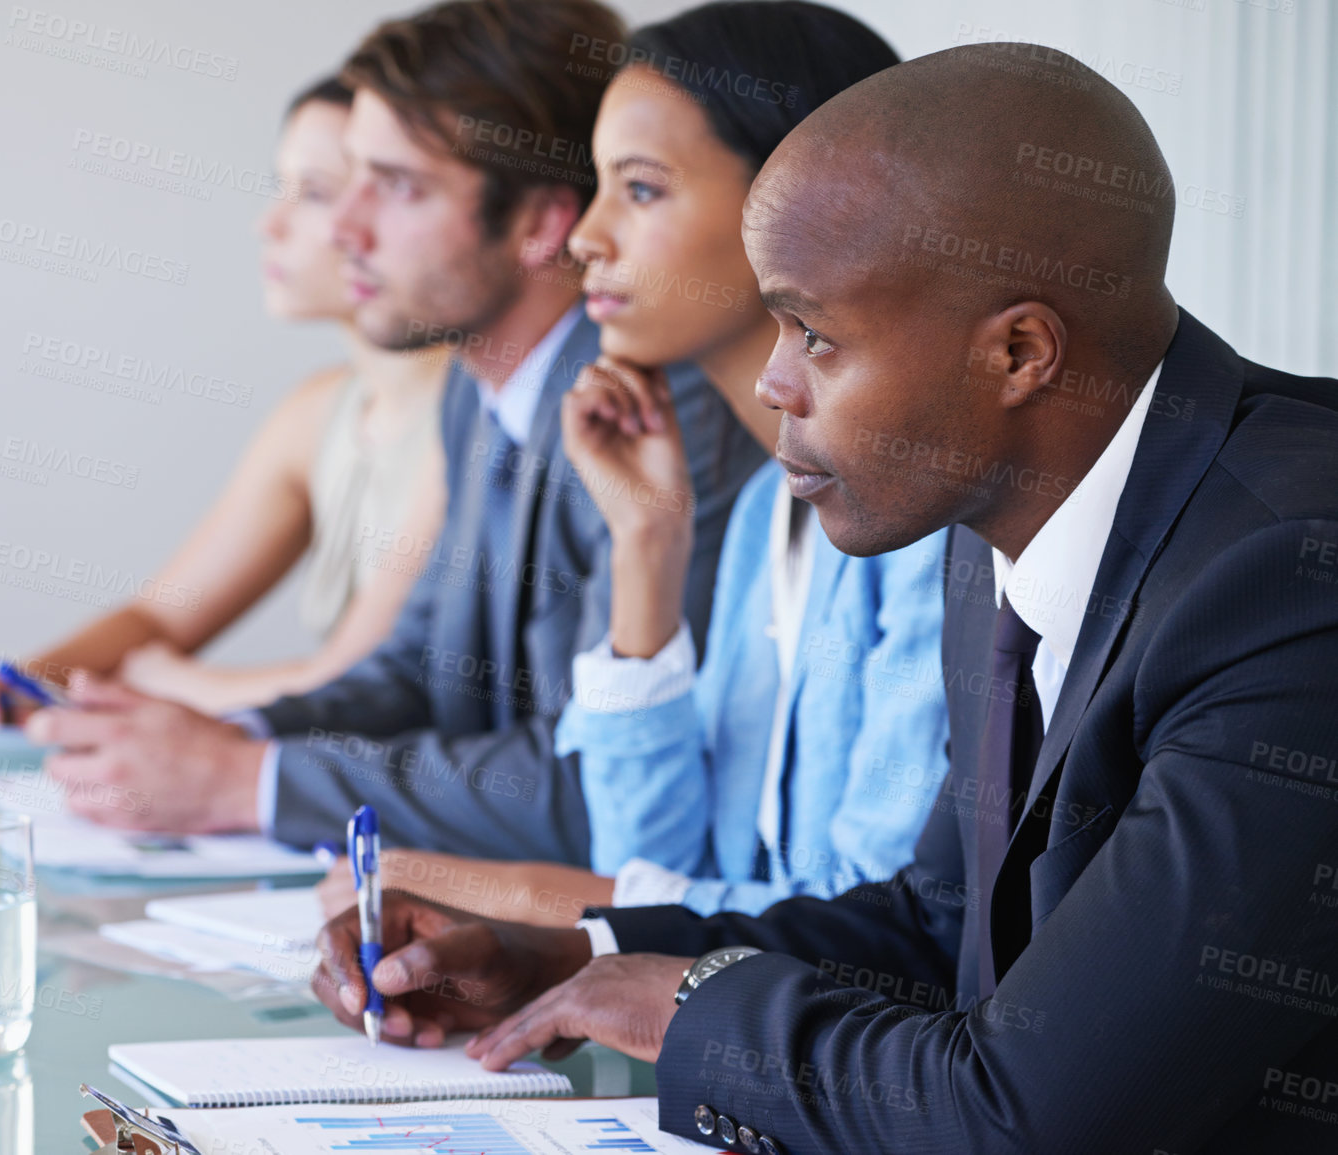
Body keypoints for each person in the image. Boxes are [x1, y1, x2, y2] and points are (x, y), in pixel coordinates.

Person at [312, 41, 1338, 1154]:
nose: (772, 381)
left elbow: (1034, 1115)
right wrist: (575, 958)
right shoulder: (997, 502)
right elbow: (934, 926)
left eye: (816, 334)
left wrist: (698, 1013)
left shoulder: (1288, 576)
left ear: (1019, 354)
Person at [24, 0, 764, 858]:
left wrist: (244, 781)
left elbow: (589, 781)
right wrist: (228, 733)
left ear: (539, 222)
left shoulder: (659, 416)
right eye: (351, 177)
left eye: (399, 186)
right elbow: (416, 671)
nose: (343, 229)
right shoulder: (476, 388)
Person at [315, 0, 948, 928]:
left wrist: (519, 897)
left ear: (808, 200)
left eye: (641, 191)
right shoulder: (757, 519)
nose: (584, 238)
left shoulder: (923, 524)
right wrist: (647, 546)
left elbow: (869, 936)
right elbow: (654, 862)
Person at [13, 77, 450, 718]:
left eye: (315, 193)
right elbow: (160, 614)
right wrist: (19, 686)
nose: (269, 223)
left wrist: (170, 682)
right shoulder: (319, 413)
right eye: (283, 186)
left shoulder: (476, 420)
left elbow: (347, 681)